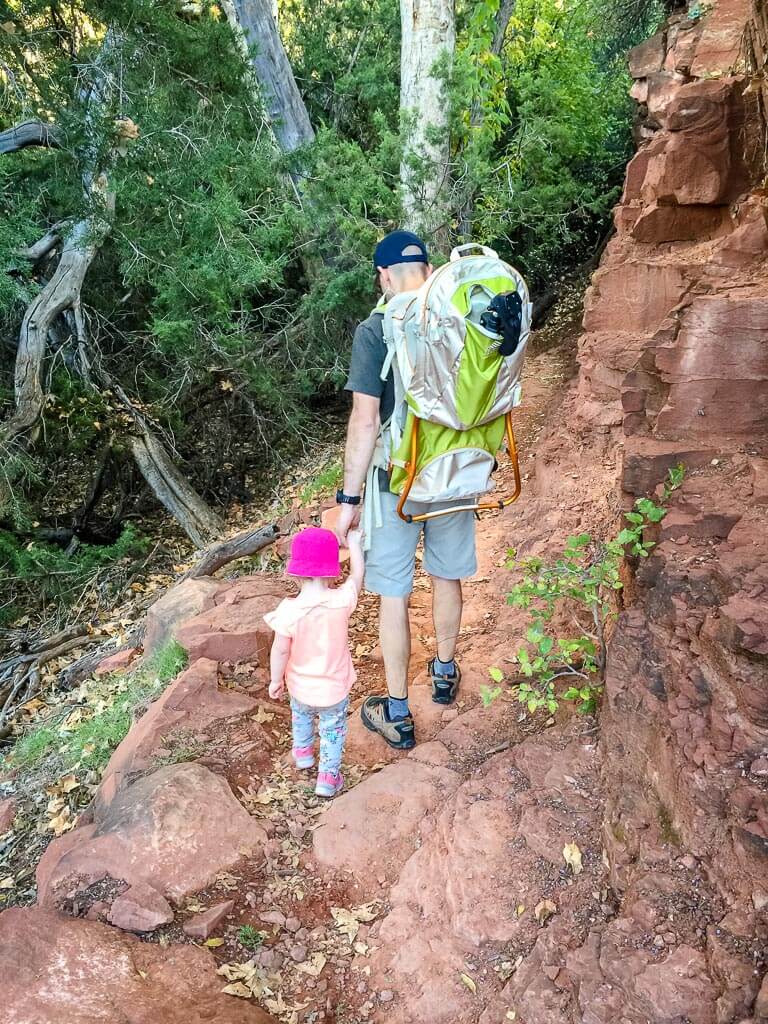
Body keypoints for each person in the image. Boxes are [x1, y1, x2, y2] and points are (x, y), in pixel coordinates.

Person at [334, 230, 477, 750]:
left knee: (393, 592)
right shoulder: (458, 319)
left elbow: (365, 421)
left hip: (395, 480)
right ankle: (443, 673)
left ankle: (397, 711)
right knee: (446, 573)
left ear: (383, 275)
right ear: (429, 267)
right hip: (454, 470)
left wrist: (348, 501)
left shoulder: (375, 331)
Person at [265, 526, 363, 797]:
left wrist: (276, 679)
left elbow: (280, 650)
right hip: (334, 689)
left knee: (302, 715)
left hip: (300, 687)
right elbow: (357, 576)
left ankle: (303, 752)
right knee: (333, 730)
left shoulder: (288, 611)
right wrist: (355, 544)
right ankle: (328, 778)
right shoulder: (342, 600)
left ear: (295, 572)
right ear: (332, 570)